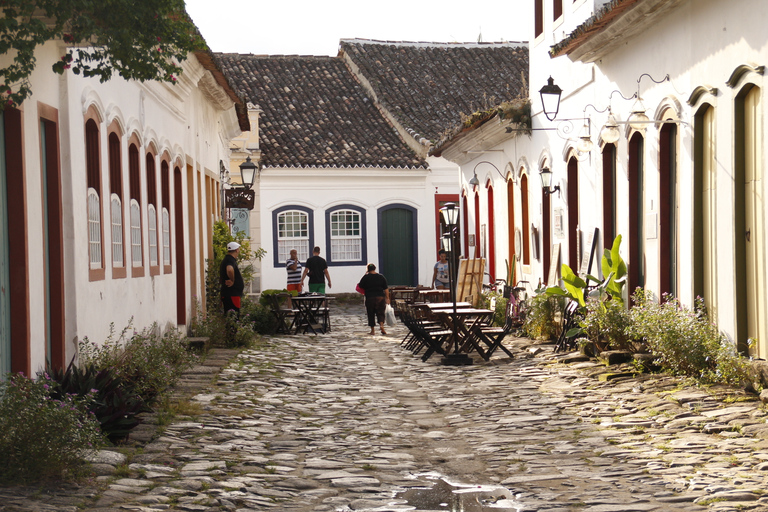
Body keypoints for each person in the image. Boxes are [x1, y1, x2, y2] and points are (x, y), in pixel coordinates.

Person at [357, 263, 390, 335]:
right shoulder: (381, 277)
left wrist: (366, 274)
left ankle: (372, 331)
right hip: (380, 297)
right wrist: (387, 298)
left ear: (368, 269)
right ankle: (381, 325)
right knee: (381, 312)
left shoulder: (366, 277)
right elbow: (386, 289)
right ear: (375, 268)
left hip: (370, 297)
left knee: (370, 313)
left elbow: (360, 286)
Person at [220, 241, 245, 316]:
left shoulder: (228, 259)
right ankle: (232, 328)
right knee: (233, 316)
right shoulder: (230, 259)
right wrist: (232, 280)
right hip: (232, 294)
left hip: (230, 294)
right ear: (237, 250)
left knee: (231, 315)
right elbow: (229, 269)